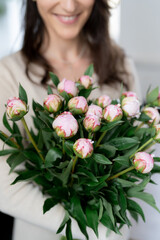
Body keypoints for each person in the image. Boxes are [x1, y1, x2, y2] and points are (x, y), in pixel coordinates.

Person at [0, 0, 141, 240]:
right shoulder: (7, 74)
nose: (68, 5)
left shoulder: (119, 64)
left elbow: (135, 166)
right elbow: (3, 188)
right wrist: (91, 230)